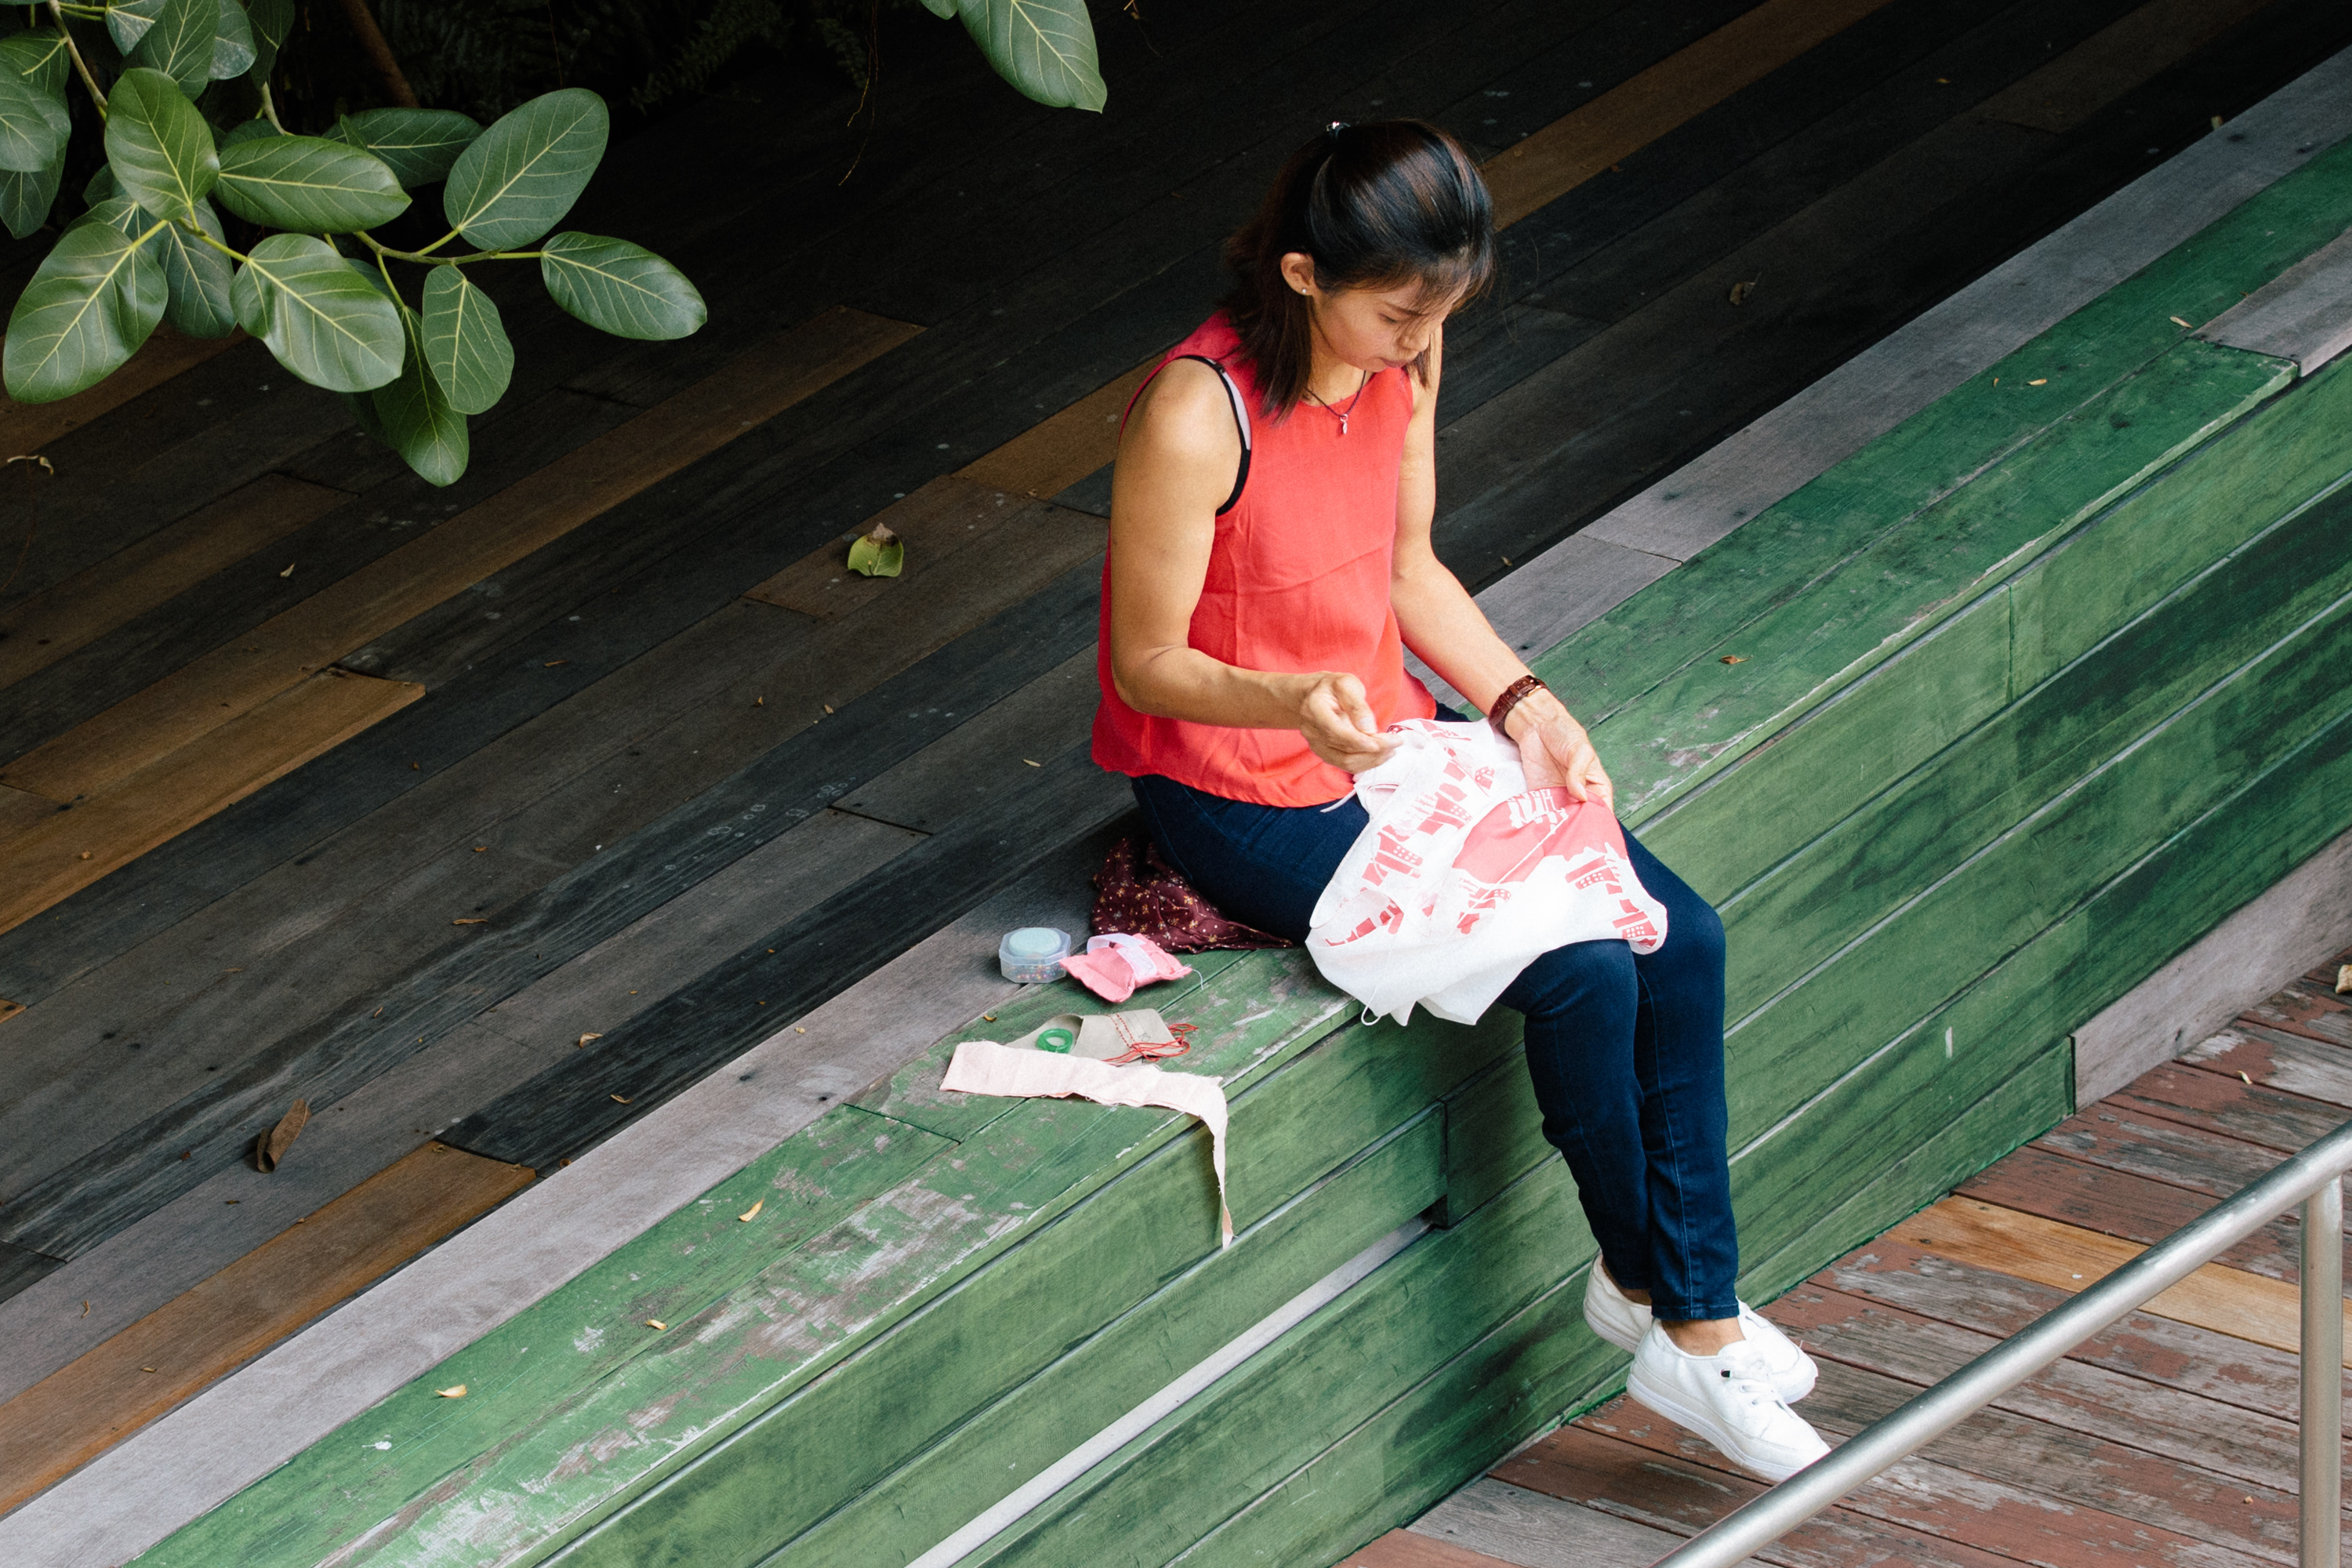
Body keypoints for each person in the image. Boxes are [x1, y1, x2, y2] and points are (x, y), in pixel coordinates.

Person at [1092, 119, 1830, 1483]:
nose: (1420, 339)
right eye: (1398, 309)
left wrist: (1525, 704)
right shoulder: (1198, 412)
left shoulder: (1402, 361)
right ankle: (1683, 1315)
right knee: (1583, 972)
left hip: (1390, 742)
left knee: (1685, 935)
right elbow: (1147, 662)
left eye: (1442, 308)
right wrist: (1292, 702)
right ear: (1305, 273)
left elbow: (1408, 571)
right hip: (1238, 779)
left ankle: (1680, 1311)